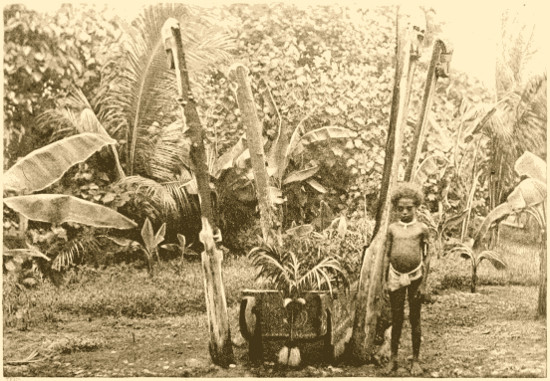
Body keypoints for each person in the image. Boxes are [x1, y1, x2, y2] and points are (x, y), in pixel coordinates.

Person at [383, 182, 430, 376]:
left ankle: (416, 360)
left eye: (408, 208)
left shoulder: (421, 229)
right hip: (394, 276)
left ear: (416, 207)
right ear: (396, 208)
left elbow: (427, 257)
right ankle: (393, 359)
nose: (404, 212)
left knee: (415, 318)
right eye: (400, 208)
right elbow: (387, 255)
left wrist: (423, 284)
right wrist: (384, 281)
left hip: (416, 276)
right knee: (396, 317)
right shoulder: (392, 229)